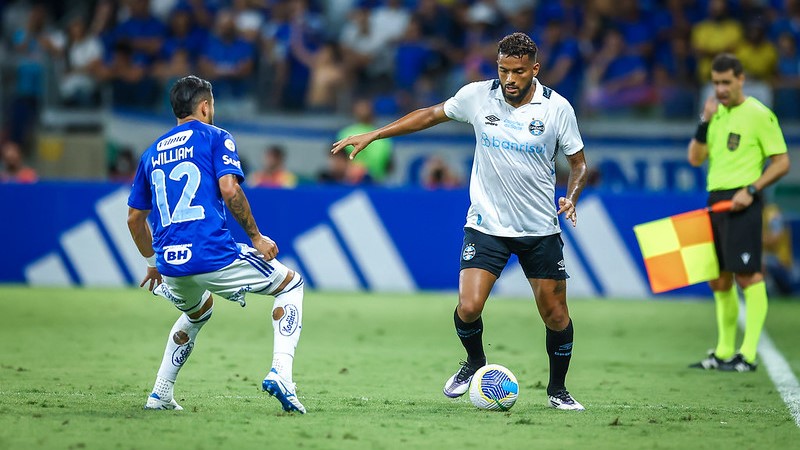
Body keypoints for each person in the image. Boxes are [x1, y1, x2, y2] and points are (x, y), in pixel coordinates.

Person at [332, 32, 588, 410]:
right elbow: (430, 115)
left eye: (518, 71)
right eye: (503, 70)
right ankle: (474, 362)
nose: (510, 79)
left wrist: (572, 195)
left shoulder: (557, 109)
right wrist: (377, 133)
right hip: (486, 224)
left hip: (539, 229)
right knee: (469, 306)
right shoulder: (477, 96)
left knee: (555, 314)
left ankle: (557, 390)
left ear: (535, 69)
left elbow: (578, 163)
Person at [127, 75, 306, 413]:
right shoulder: (216, 137)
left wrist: (153, 262)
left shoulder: (151, 153)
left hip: (171, 265)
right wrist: (256, 237)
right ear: (206, 106)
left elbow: (134, 218)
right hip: (212, 255)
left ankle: (160, 392)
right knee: (290, 284)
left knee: (197, 311)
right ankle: (282, 373)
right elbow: (229, 189)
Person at [687, 53, 791, 372]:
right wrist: (704, 121)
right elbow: (694, 158)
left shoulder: (759, 115)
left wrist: (752, 190)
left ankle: (746, 355)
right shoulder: (715, 115)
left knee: (748, 275)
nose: (720, 89)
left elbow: (782, 162)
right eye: (716, 83)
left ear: (741, 79)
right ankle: (723, 351)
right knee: (718, 280)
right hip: (715, 200)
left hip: (743, 201)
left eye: (726, 83)